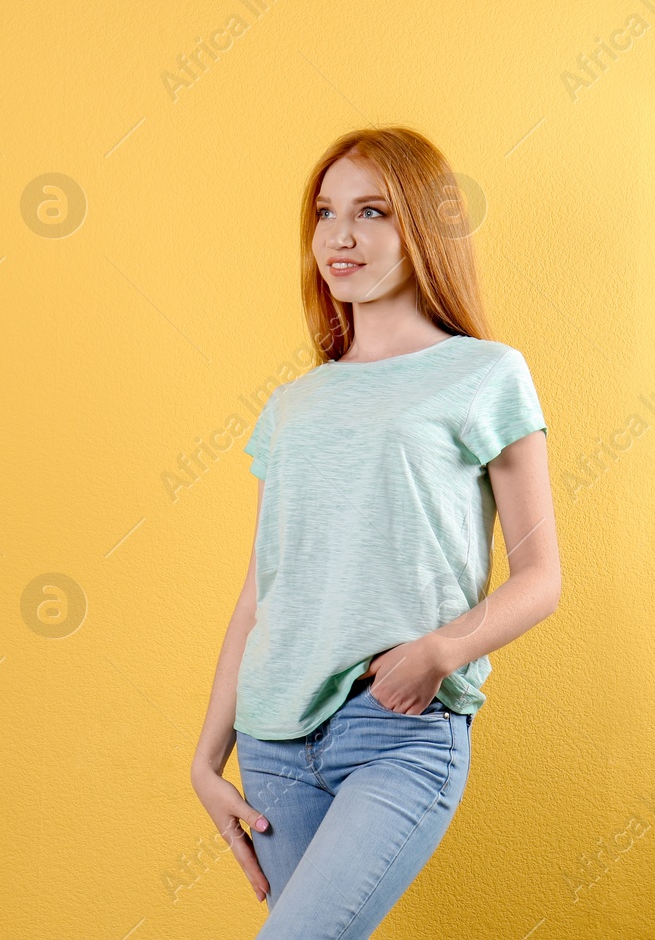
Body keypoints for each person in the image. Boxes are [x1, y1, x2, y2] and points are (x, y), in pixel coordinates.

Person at [189, 125, 564, 938]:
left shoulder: (485, 373)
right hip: (273, 739)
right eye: (325, 212)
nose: (341, 236)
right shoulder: (292, 404)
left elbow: (542, 578)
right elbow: (260, 593)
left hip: (395, 728)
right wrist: (204, 759)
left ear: (423, 227)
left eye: (372, 211)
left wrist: (439, 651)